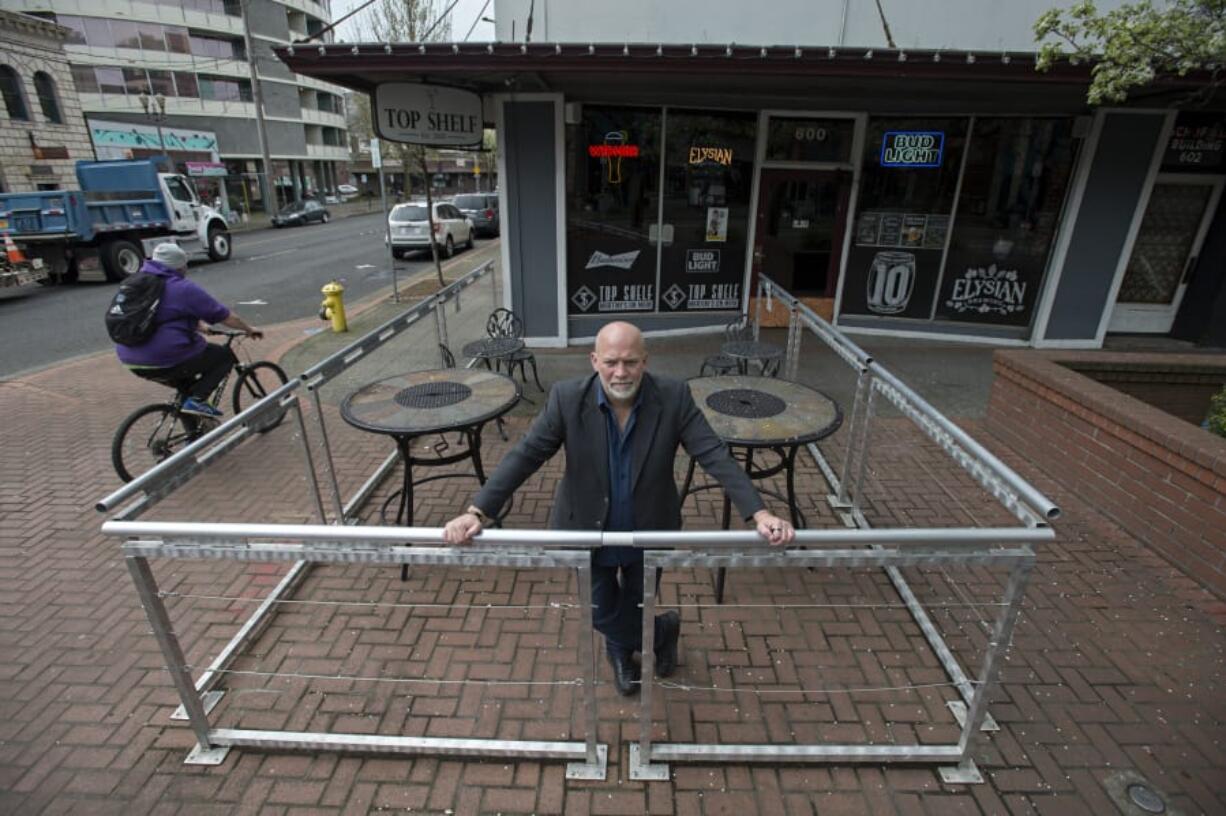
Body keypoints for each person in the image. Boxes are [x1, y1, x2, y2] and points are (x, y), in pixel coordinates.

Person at [443, 321, 795, 696]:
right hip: (588, 530)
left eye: (630, 362)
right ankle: (661, 633)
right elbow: (526, 454)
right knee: (600, 608)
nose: (621, 372)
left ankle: (620, 651)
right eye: (611, 362)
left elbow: (712, 452)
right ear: (594, 360)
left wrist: (759, 512)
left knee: (636, 603)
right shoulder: (566, 398)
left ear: (645, 360)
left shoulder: (673, 397)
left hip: (650, 529)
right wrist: (477, 511)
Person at [115, 242, 263, 418]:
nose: (186, 268)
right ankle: (199, 400)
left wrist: (199, 326)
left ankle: (193, 437)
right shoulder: (182, 288)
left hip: (130, 358)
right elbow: (225, 316)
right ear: (178, 266)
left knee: (186, 392)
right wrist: (248, 329)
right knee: (223, 357)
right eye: (184, 264)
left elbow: (160, 314)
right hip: (164, 357)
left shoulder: (138, 283)